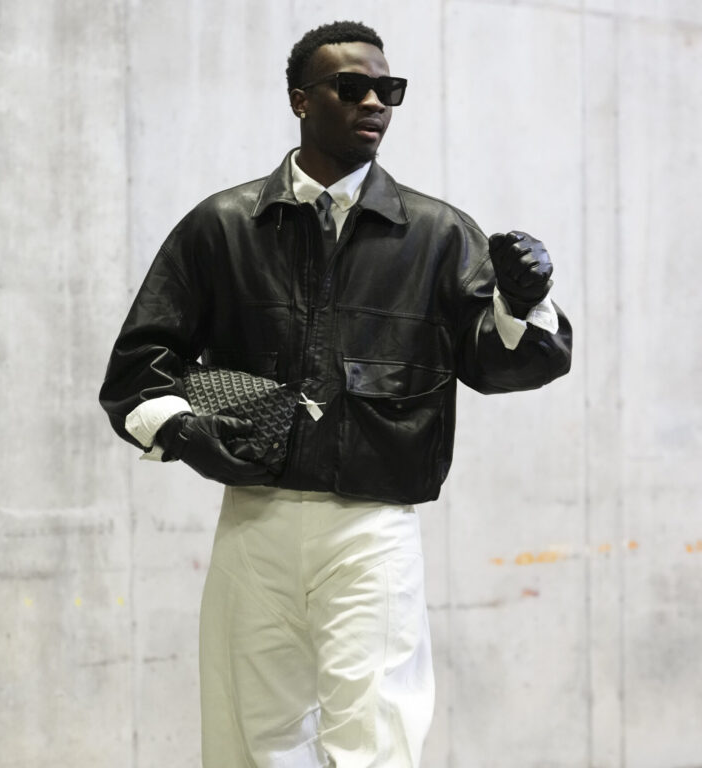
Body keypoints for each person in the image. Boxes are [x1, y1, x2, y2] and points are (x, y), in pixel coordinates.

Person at [99, 20, 572, 768]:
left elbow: (501, 365)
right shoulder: (224, 226)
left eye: (389, 90)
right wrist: (189, 433)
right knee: (253, 740)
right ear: (299, 100)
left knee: (376, 735)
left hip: (372, 529)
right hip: (254, 521)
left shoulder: (438, 235)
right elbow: (137, 369)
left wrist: (521, 306)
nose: (375, 102)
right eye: (352, 87)